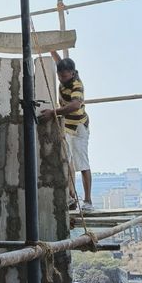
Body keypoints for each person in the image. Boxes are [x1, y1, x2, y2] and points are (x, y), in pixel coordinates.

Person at [40, 52, 93, 212]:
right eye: (59, 76)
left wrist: (53, 112)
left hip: (78, 127)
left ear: (72, 73)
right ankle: (71, 198)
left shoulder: (76, 85)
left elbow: (75, 105)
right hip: (67, 126)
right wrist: (51, 50)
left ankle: (88, 201)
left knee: (82, 163)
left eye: (64, 76)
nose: (61, 79)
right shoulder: (64, 71)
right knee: (67, 161)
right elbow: (58, 61)